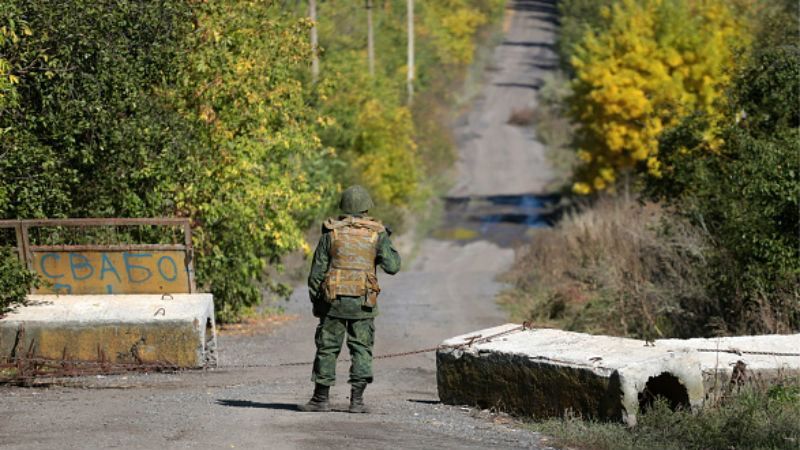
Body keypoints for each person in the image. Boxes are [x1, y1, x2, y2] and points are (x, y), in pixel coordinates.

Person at [299, 185, 401, 413]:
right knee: (361, 349)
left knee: (327, 349)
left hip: (333, 302)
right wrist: (387, 241)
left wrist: (318, 304)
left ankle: (320, 400)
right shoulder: (377, 233)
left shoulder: (331, 232)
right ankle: (357, 402)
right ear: (367, 207)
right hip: (363, 303)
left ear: (343, 206)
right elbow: (393, 267)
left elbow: (316, 274)